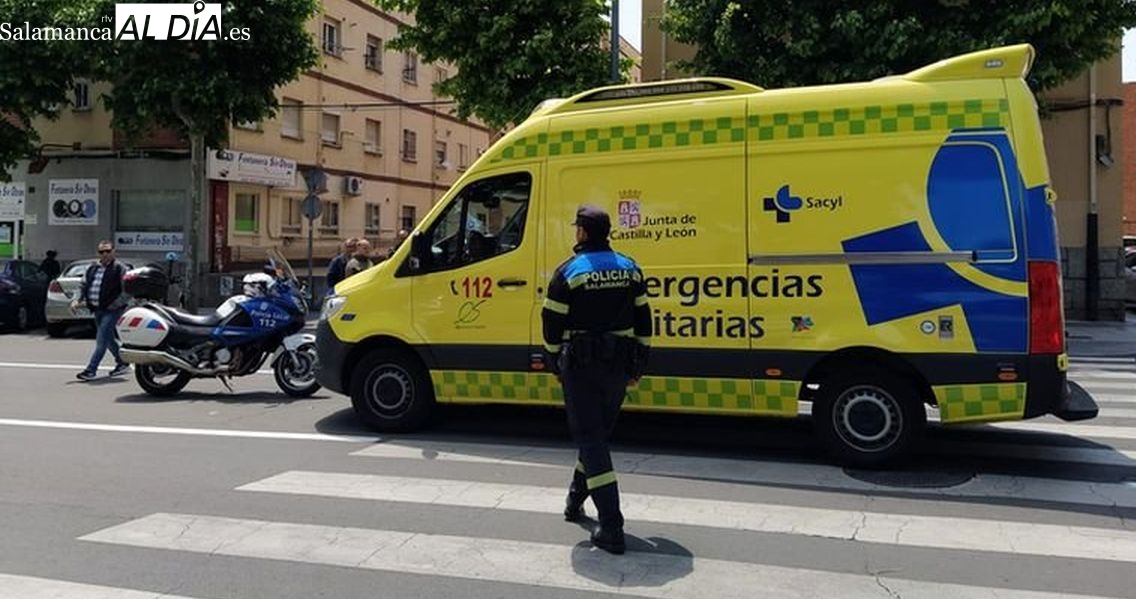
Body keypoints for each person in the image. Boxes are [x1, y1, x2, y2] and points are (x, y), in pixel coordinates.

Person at [541, 204, 652, 555]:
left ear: (582, 232)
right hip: (618, 366)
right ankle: (575, 500)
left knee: (590, 438)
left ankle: (612, 526)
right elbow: (644, 320)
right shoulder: (630, 268)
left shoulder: (570, 271)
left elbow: (551, 324)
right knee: (596, 436)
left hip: (582, 368)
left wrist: (553, 362)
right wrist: (639, 365)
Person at [73, 240, 130, 381]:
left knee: (101, 340)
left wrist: (115, 304)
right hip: (97, 309)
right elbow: (82, 285)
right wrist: (77, 300)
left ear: (113, 251)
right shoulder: (92, 268)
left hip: (113, 310)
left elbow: (127, 291)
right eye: (101, 252)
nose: (105, 254)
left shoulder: (120, 268)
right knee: (108, 339)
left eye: (108, 251)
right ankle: (123, 362)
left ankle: (90, 370)